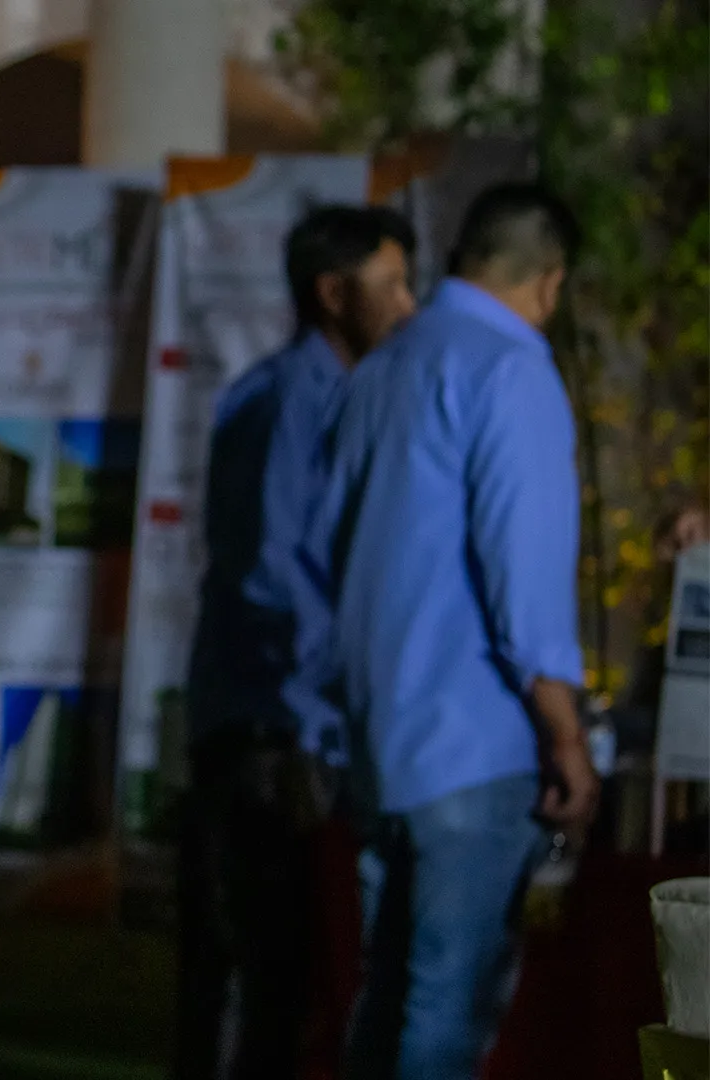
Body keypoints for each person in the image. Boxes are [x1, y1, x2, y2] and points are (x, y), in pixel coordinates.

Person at [303, 183, 601, 1080]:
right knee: (445, 1017)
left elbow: (327, 554)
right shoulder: (511, 368)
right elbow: (529, 581)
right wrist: (567, 737)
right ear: (549, 283)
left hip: (381, 749)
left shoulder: (382, 370)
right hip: (475, 750)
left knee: (387, 1000)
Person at [176, 205, 416, 1080]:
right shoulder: (288, 400)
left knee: (282, 984)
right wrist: (338, 698)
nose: (409, 303)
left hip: (290, 726)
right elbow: (271, 574)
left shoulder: (331, 394)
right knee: (262, 985)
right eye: (392, 283)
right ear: (332, 292)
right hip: (268, 731)